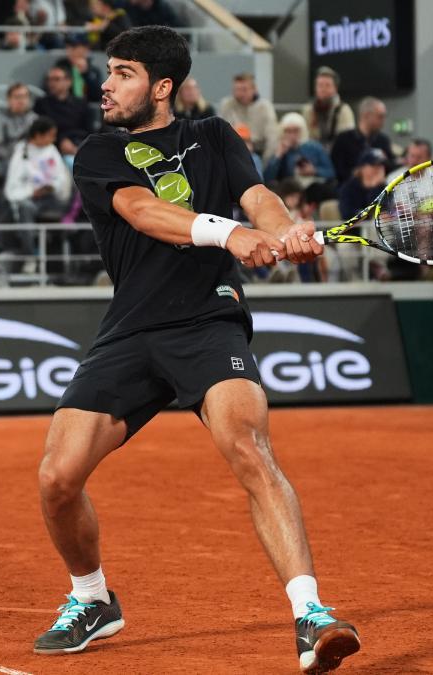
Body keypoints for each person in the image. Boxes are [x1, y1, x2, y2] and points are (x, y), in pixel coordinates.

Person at [36, 26, 360, 675]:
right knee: (57, 478)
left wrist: (284, 230)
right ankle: (92, 598)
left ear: (161, 87)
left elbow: (260, 199)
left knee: (249, 446)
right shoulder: (100, 151)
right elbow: (142, 210)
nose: (105, 83)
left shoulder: (214, 136)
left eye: (122, 73)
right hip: (131, 327)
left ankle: (310, 614)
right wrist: (231, 234)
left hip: (210, 318)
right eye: (108, 71)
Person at [4, 116, 71, 262]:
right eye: (50, 135)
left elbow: (62, 179)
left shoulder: (52, 150)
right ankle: (29, 258)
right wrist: (31, 192)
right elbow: (11, 189)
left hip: (51, 198)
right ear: (38, 135)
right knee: (25, 208)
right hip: (30, 200)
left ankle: (59, 261)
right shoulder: (21, 152)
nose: (53, 140)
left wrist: (52, 186)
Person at [329, 97, 395, 184]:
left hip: (379, 190)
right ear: (366, 115)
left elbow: (390, 167)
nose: (383, 121)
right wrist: (359, 173)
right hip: (349, 190)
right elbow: (336, 170)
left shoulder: (383, 140)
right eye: (380, 116)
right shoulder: (343, 139)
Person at [34, 64, 92, 158]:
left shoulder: (81, 103)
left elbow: (89, 130)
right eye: (49, 79)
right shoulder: (41, 104)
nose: (52, 83)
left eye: (56, 79)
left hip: (80, 144)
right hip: (52, 148)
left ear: (68, 82)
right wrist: (61, 141)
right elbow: (41, 131)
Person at [217, 72, 278, 158]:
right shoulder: (227, 105)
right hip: (232, 151)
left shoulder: (265, 107)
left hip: (258, 151)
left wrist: (265, 163)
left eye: (244, 89)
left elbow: (272, 139)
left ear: (254, 89)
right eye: (237, 90)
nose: (240, 94)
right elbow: (219, 134)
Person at [263, 112, 335, 186]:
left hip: (313, 187)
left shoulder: (315, 147)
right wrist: (278, 156)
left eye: (295, 131)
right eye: (288, 131)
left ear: (302, 131)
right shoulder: (279, 149)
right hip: (288, 189)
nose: (292, 135)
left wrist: (314, 171)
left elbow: (331, 173)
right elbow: (267, 179)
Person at [0, 83, 37, 178]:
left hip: (33, 159)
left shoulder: (35, 119)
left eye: (24, 96)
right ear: (9, 99)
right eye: (17, 97)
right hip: (8, 160)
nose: (21, 100)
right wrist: (17, 157)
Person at [300, 66, 354, 148]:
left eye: (327, 85)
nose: (323, 89)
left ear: (335, 89)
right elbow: (303, 138)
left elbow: (347, 142)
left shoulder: (344, 111)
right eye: (320, 85)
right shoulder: (308, 110)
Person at [338, 149, 388, 220]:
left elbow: (387, 210)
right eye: (374, 165)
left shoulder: (383, 187)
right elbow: (347, 215)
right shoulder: (348, 188)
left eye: (381, 165)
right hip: (357, 229)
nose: (378, 169)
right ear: (362, 167)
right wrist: (373, 188)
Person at [57, 34, 102, 103]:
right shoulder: (61, 67)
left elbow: (97, 96)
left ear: (85, 49)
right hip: (65, 107)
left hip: (87, 109)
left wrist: (86, 73)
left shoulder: (93, 70)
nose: (69, 50)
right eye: (67, 47)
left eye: (74, 47)